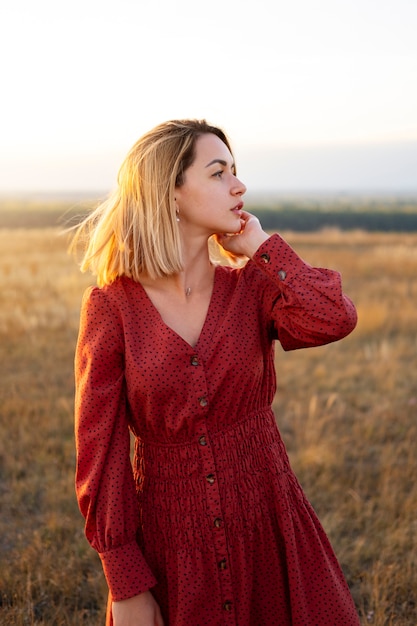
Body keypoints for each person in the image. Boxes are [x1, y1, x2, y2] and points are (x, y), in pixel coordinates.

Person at [73, 119, 360, 626]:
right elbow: (102, 451)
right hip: (173, 546)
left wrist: (263, 249)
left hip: (269, 525)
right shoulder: (112, 308)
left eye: (236, 171)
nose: (239, 186)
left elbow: (334, 318)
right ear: (172, 193)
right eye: (218, 172)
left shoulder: (252, 288)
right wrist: (126, 583)